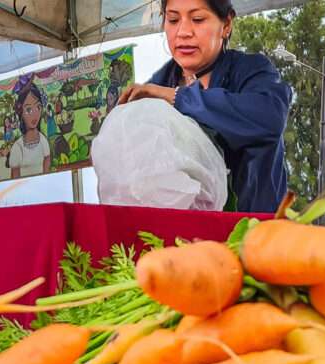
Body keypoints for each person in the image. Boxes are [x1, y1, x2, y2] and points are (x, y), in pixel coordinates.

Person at [119, 0, 292, 213]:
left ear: (226, 24)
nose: (182, 32)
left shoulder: (252, 71)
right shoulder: (156, 86)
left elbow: (269, 117)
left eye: (198, 19)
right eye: (173, 19)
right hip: (183, 238)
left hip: (256, 233)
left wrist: (177, 97)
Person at [8, 79, 52, 178]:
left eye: (38, 107)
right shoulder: (17, 147)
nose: (35, 114)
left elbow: (47, 172)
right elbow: (15, 178)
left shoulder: (43, 141)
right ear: (21, 112)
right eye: (28, 110)